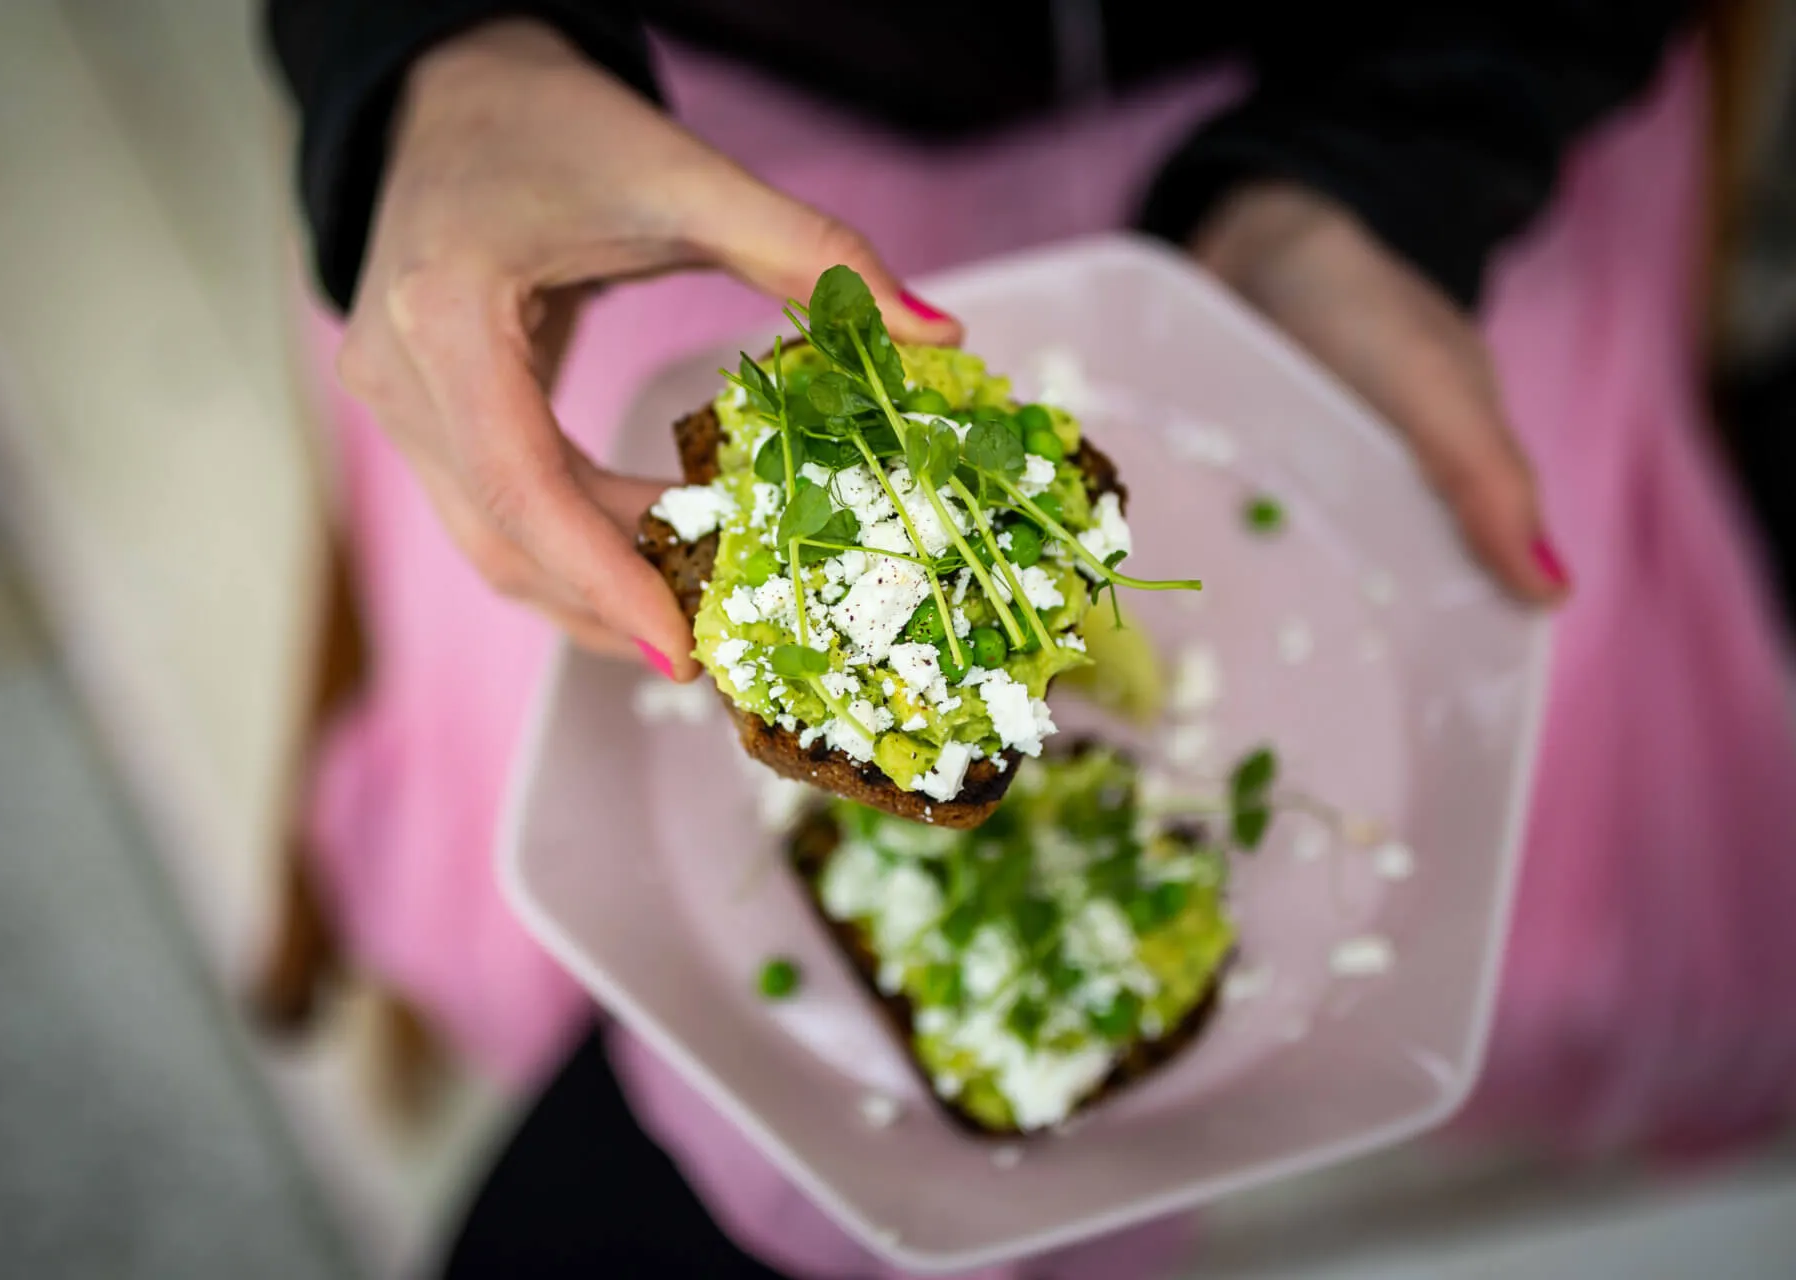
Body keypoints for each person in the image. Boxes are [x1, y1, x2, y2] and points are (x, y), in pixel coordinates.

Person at [265, 3, 1796, 1276]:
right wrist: (439, 53)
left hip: (1398, 98)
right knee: (701, 1009)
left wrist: (1383, 180)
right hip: (672, 160)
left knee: (1498, 795)